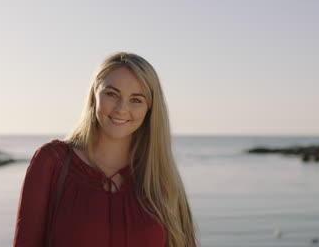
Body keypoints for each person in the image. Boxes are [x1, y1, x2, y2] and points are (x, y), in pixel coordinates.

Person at [13, 52, 198, 247]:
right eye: (112, 94)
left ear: (149, 108)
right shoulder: (52, 162)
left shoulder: (160, 176)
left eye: (136, 100)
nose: (121, 109)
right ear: (94, 95)